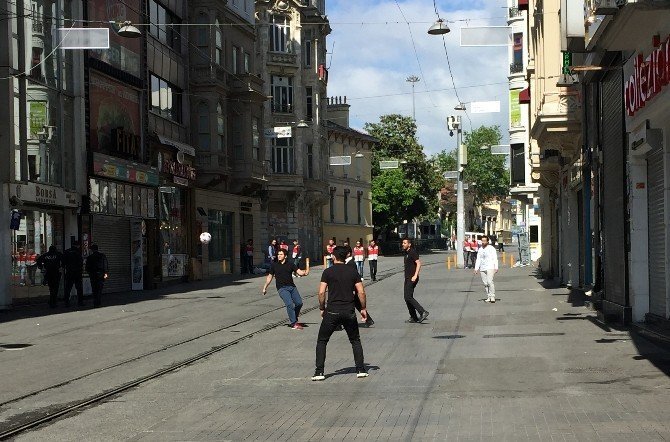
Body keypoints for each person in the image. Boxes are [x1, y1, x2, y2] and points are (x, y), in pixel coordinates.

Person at [312, 246, 368, 381]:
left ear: (334, 257)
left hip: (332, 311)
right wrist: (363, 308)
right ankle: (360, 369)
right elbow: (361, 292)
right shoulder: (353, 272)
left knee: (322, 341)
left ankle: (319, 372)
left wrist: (321, 307)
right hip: (349, 310)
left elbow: (321, 292)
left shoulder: (327, 272)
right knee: (355, 340)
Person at [262, 249, 309, 330]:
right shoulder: (274, 265)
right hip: (282, 288)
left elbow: (299, 272)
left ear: (285, 256)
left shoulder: (290, 264)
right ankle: (293, 323)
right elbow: (270, 277)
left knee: (299, 303)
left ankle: (294, 316)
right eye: (278, 254)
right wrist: (265, 287)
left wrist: (305, 272)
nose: (279, 256)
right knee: (290, 304)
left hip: (292, 287)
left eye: (281, 254)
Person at [345, 247, 374, 327]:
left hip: (353, 288)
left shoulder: (351, 263)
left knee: (351, 305)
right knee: (358, 305)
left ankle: (341, 323)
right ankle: (369, 320)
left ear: (348, 254)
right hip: (353, 289)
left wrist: (352, 289)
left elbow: (352, 277)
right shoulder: (348, 262)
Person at [402, 238, 429, 323]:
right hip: (407, 278)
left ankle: (423, 312)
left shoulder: (412, 252)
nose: (403, 244)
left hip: (412, 278)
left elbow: (418, 263)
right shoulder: (406, 253)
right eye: (402, 243)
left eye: (404, 243)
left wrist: (415, 275)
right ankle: (413, 317)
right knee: (407, 297)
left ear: (409, 244)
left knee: (408, 297)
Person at [474, 235, 499, 303]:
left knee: (489, 282)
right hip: (482, 268)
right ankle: (488, 296)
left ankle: (492, 296)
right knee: (485, 283)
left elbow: (495, 258)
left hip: (490, 267)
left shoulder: (491, 248)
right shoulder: (480, 249)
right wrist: (476, 268)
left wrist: (496, 267)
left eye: (484, 241)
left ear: (487, 241)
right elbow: (478, 259)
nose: (483, 242)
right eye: (482, 241)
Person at [62, 240, 84, 307]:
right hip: (77, 272)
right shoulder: (78, 252)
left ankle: (66, 303)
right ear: (78, 245)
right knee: (79, 288)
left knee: (68, 288)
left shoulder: (66, 251)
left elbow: (63, 263)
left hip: (69, 272)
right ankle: (80, 302)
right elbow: (81, 262)